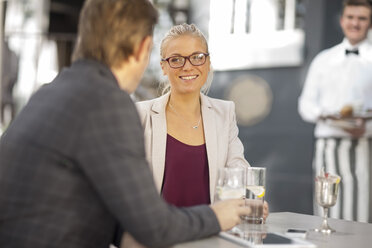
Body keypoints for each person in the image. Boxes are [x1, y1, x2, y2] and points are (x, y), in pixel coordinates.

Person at [0, 1, 252, 247]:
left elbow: (87, 202)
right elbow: (155, 227)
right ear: (143, 48)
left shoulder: (51, 93)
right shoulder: (107, 102)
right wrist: (217, 216)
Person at [136, 24, 269, 211]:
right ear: (164, 67)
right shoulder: (140, 115)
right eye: (176, 59)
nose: (188, 66)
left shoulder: (224, 113)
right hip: (160, 234)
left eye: (197, 57)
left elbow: (237, 172)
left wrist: (247, 201)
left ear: (207, 63)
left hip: (209, 233)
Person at [298, 0, 372, 223]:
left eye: (362, 18)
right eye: (351, 17)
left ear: (369, 23)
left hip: (365, 145)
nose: (355, 23)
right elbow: (305, 105)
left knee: (361, 213)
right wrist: (327, 114)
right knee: (326, 212)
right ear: (342, 20)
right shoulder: (324, 60)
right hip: (328, 145)